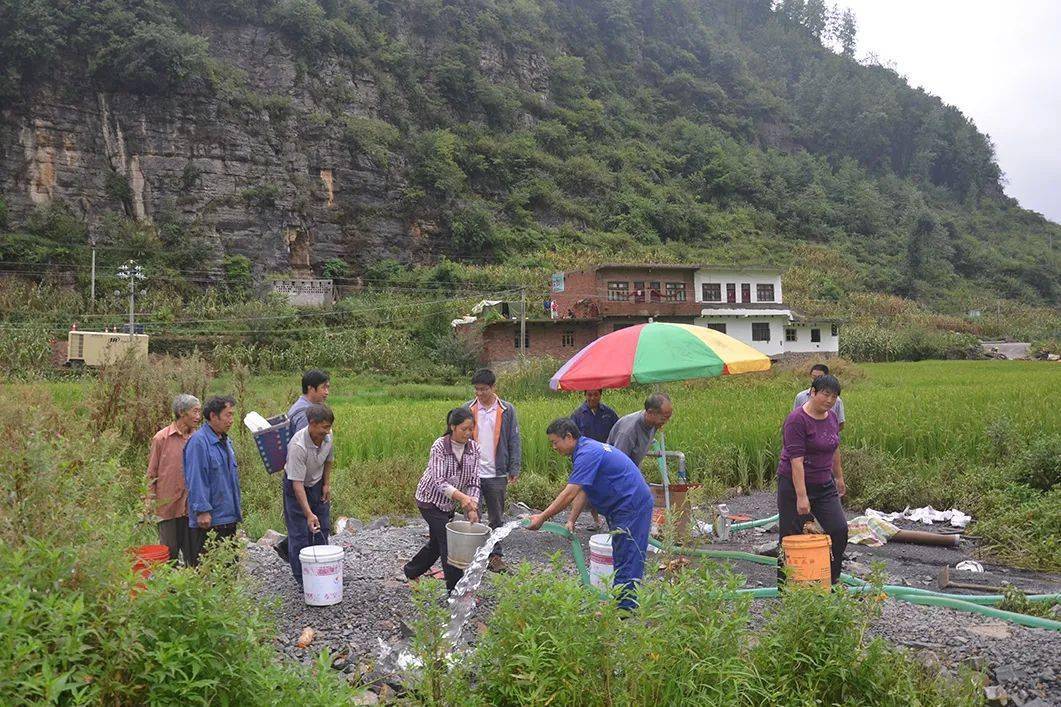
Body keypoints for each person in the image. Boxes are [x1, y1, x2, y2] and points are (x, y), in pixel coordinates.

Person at [527, 418, 654, 611]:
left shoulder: (587, 453)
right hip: (622, 506)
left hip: (632, 505)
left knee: (629, 557)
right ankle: (621, 605)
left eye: (554, 442)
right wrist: (571, 520)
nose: (553, 447)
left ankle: (626, 613)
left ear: (569, 437)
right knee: (620, 556)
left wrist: (542, 517)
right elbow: (584, 488)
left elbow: (570, 492)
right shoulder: (584, 450)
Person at [777, 374, 848, 585]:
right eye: (825, 394)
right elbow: (795, 460)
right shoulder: (797, 420)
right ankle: (786, 587)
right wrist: (802, 497)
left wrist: (839, 477)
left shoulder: (832, 417)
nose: (829, 400)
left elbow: (834, 448)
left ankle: (830, 580)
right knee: (791, 535)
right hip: (794, 484)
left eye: (834, 397)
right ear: (813, 392)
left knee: (839, 529)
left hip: (824, 483)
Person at [404, 408, 481, 592]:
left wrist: (472, 506)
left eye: (471, 429)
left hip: (448, 504)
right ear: (452, 427)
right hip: (429, 500)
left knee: (436, 545)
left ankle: (410, 570)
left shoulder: (474, 449)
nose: (468, 434)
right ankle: (455, 591)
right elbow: (439, 481)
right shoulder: (439, 446)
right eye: (464, 429)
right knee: (449, 542)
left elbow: (474, 481)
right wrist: (463, 498)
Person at [465, 368, 521, 573]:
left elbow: (514, 440)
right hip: (472, 473)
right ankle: (473, 557)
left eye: (484, 389)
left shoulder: (507, 410)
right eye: (477, 389)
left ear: (493, 388)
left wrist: (514, 466)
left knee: (496, 517)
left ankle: (495, 556)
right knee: (472, 515)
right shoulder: (467, 409)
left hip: (497, 473)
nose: (480, 393)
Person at [275, 369, 332, 562]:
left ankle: (318, 565)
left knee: (317, 524)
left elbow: (328, 455)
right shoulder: (303, 415)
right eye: (323, 387)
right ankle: (305, 573)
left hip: (313, 478)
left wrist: (325, 482)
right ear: (310, 388)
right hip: (300, 478)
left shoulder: (317, 413)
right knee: (302, 526)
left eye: (328, 388)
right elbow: (303, 456)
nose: (327, 392)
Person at [184, 395, 242, 567]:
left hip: (227, 516)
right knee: (208, 568)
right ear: (213, 416)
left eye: (232, 415)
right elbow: (196, 478)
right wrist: (202, 510)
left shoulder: (224, 440)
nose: (231, 420)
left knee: (228, 567)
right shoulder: (199, 442)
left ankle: (229, 595)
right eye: (228, 415)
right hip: (210, 520)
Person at [284, 404, 335, 587]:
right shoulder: (298, 446)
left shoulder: (328, 436)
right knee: (300, 534)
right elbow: (297, 484)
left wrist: (326, 484)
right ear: (311, 424)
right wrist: (308, 513)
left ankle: (322, 571)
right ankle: (303, 580)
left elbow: (329, 460)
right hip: (297, 486)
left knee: (323, 527)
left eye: (329, 427)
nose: (326, 433)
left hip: (317, 482)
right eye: (323, 428)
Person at [146, 394, 201, 563]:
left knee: (195, 557)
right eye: (195, 412)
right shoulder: (161, 438)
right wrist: (149, 501)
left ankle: (193, 588)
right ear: (181, 412)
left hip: (192, 508)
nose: (199, 417)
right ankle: (169, 589)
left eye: (200, 412)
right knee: (169, 556)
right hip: (167, 508)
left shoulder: (198, 439)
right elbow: (151, 474)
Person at [569, 389, 620, 529]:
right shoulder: (578, 414)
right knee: (585, 488)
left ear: (600, 395)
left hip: (605, 457)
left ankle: (612, 521)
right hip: (586, 459)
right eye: (589, 395)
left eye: (595, 395)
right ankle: (594, 520)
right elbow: (571, 438)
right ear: (585, 395)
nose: (592, 398)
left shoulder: (609, 413)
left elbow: (618, 430)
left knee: (606, 487)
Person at [607, 392, 673, 467]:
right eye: (664, 418)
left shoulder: (653, 424)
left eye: (668, 418)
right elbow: (618, 464)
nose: (666, 422)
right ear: (650, 413)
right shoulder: (628, 431)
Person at [793, 363, 845, 431]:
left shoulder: (836, 400)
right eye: (813, 377)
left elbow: (840, 423)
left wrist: (828, 434)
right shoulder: (800, 397)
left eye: (819, 377)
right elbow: (795, 420)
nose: (816, 380)